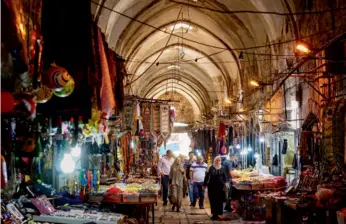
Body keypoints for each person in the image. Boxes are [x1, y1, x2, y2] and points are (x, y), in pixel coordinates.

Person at [204, 156, 227, 220]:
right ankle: (214, 214)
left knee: (219, 201)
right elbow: (207, 177)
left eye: (219, 160)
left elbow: (224, 177)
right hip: (212, 186)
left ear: (220, 161)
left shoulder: (222, 168)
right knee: (212, 200)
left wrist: (225, 184)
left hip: (220, 187)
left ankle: (217, 214)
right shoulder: (210, 167)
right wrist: (204, 184)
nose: (218, 161)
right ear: (214, 160)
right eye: (217, 160)